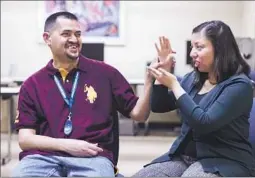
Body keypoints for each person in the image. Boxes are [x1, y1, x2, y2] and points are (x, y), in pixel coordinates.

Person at [12, 11, 154, 177]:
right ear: (47, 38)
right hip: (42, 157)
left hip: (93, 158)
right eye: (66, 34)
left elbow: (139, 115)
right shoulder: (32, 85)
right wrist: (67, 145)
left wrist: (150, 82)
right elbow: (25, 140)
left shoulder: (106, 74)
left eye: (78, 34)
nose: (74, 39)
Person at [133, 20, 255, 177]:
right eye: (192, 47)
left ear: (219, 49)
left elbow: (204, 123)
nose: (192, 53)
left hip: (224, 161)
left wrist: (175, 86)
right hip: (184, 157)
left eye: (199, 47)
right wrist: (163, 73)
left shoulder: (239, 86)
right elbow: (159, 106)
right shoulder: (193, 78)